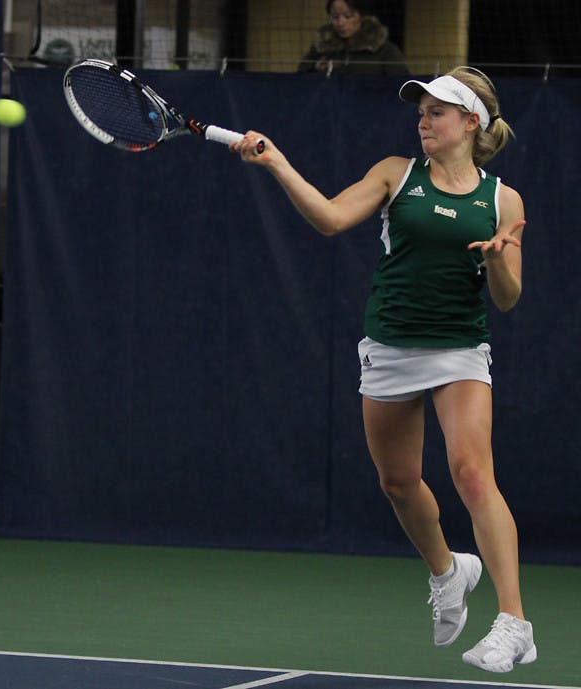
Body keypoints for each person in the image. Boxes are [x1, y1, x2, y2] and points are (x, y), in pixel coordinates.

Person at [229, 66, 536, 673]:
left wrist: (499, 258)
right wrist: (277, 163)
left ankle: (514, 622)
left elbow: (507, 297)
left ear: (470, 123)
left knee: (472, 473)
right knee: (398, 483)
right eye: (420, 111)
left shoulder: (503, 199)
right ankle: (448, 572)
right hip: (391, 347)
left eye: (437, 112)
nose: (423, 119)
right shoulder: (396, 173)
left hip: (459, 349)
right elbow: (330, 219)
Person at [298, 0, 408, 76]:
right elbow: (300, 76)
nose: (341, 23)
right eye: (335, 17)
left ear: (362, 16)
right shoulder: (321, 48)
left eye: (348, 16)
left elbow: (401, 84)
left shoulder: (385, 50)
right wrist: (315, 69)